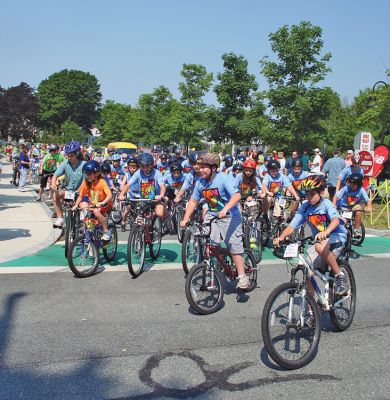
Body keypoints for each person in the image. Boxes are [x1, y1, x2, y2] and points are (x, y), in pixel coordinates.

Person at [179, 152, 250, 289]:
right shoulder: (200, 182)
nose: (200, 169)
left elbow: (236, 196)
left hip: (230, 214)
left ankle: (242, 276)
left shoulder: (223, 178)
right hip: (212, 215)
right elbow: (193, 201)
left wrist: (225, 209)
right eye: (199, 166)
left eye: (204, 167)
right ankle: (220, 261)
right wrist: (185, 219)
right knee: (209, 243)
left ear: (213, 168)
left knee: (233, 244)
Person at [273, 174, 349, 296]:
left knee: (319, 246)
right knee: (307, 271)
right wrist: (281, 237)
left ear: (321, 192)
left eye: (312, 194)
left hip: (336, 236)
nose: (309, 197)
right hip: (320, 240)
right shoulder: (305, 207)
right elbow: (292, 226)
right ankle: (310, 309)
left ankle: (339, 275)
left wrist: (326, 232)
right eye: (307, 194)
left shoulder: (326, 204)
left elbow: (335, 220)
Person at [118, 152, 169, 231]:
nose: (145, 169)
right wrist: (121, 195)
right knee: (139, 219)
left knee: (159, 213)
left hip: (156, 198)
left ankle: (167, 215)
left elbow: (162, 186)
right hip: (144, 199)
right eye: (142, 166)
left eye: (147, 166)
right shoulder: (138, 173)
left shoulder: (157, 173)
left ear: (152, 165)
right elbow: (128, 185)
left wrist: (161, 196)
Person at [72, 160, 113, 241]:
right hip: (93, 206)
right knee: (86, 218)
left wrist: (102, 202)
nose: (88, 176)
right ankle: (92, 238)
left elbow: (109, 195)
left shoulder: (102, 182)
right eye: (86, 174)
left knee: (96, 212)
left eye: (90, 174)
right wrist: (76, 205)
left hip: (106, 204)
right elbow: (81, 196)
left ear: (97, 173)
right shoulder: (86, 182)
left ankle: (106, 231)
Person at [51, 141, 86, 228]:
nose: (70, 158)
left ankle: (84, 233)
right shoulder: (65, 163)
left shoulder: (84, 164)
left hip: (81, 193)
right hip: (69, 192)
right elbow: (55, 175)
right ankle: (60, 219)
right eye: (68, 156)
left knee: (85, 212)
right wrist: (53, 184)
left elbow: (88, 181)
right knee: (55, 196)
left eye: (72, 156)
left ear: (77, 154)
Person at [333, 172, 372, 237]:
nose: (351, 185)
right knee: (344, 222)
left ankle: (356, 230)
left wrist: (369, 207)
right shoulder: (346, 188)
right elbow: (336, 196)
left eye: (354, 184)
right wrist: (334, 205)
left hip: (354, 206)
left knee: (358, 211)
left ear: (358, 184)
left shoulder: (361, 190)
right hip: (345, 207)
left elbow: (368, 200)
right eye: (350, 183)